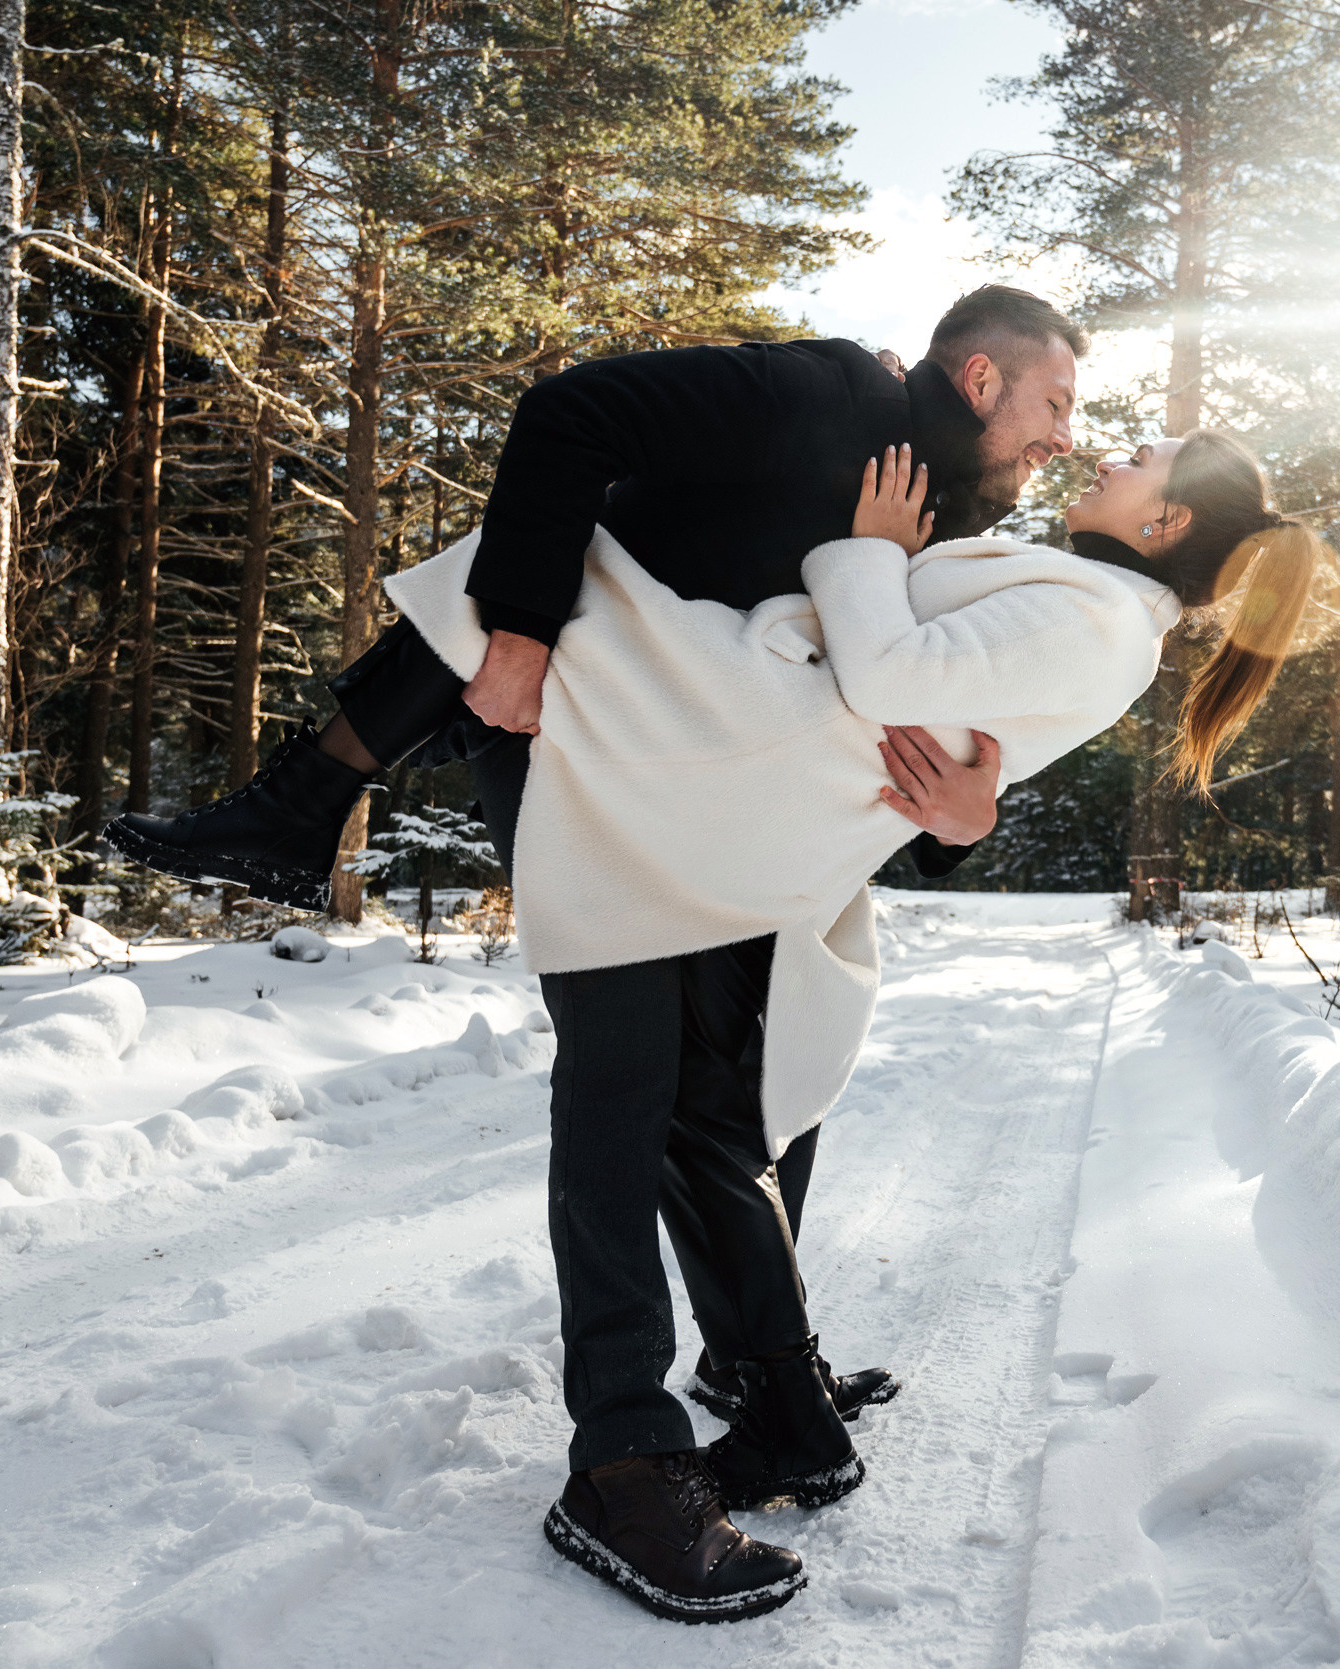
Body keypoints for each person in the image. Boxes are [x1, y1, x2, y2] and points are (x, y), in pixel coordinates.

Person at [109, 288, 1086, 1624]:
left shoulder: (935, 522)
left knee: (743, 1088)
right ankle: (622, 1463)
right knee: (627, 1087)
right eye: (1055, 407)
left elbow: (914, 712)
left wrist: (966, 820)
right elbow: (573, 414)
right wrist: (512, 632)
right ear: (979, 376)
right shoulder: (835, 396)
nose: (1063, 442)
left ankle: (755, 1365)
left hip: (701, 797)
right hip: (577, 752)